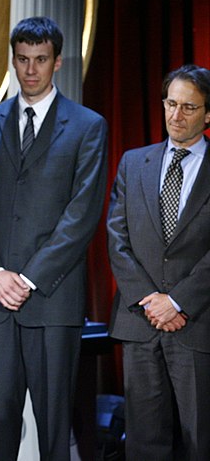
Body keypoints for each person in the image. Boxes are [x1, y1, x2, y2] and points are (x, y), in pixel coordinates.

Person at [0, 16, 108, 460]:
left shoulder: (86, 126)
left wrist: (29, 278)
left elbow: (81, 216)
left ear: (57, 62)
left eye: (40, 60)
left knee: (53, 424)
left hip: (51, 298)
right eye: (22, 59)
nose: (30, 70)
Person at [107, 64, 210, 460]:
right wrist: (152, 299)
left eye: (188, 107)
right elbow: (117, 239)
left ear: (207, 114)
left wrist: (178, 301)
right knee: (144, 443)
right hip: (141, 321)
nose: (175, 115)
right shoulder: (135, 163)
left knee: (200, 439)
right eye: (170, 103)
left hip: (197, 323)